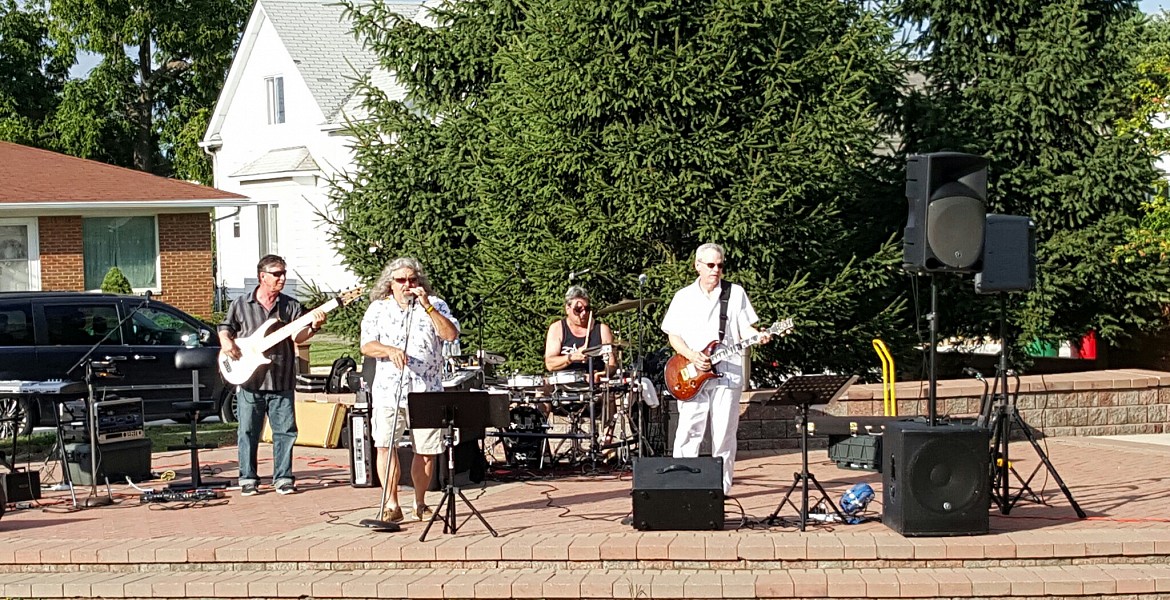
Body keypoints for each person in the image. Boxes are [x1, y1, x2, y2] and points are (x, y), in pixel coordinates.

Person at [660, 243, 771, 495]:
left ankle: (721, 489)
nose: (716, 270)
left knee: (724, 435)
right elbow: (673, 336)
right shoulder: (683, 297)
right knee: (689, 430)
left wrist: (759, 335)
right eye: (710, 265)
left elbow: (745, 329)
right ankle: (682, 485)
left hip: (728, 372)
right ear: (697, 266)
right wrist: (691, 355)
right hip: (691, 372)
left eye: (720, 265)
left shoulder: (736, 293)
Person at [360, 257, 460, 523]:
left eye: (412, 280)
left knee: (426, 450)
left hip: (426, 389)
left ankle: (420, 501)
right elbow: (366, 345)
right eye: (401, 280)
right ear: (390, 284)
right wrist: (388, 350)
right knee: (385, 445)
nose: (407, 285)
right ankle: (391, 503)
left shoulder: (436, 304)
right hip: (389, 390)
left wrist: (427, 307)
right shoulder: (378, 309)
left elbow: (450, 335)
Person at [219, 255, 326, 496]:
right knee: (247, 431)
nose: (282, 278)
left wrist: (314, 326)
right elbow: (225, 328)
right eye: (277, 274)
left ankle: (284, 477)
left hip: (281, 379)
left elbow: (298, 337)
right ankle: (247, 478)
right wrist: (226, 342)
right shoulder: (241, 304)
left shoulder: (291, 306)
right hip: (249, 380)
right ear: (262, 277)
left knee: (285, 432)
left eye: (284, 273)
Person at [543, 285, 617, 377]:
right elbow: (550, 364)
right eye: (578, 310)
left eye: (587, 309)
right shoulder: (557, 329)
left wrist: (601, 374)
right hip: (566, 386)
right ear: (567, 309)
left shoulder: (602, 330)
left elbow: (612, 364)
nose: (583, 313)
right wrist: (571, 357)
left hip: (595, 386)